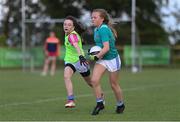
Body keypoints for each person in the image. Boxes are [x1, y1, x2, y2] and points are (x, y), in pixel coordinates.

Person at [89, 8, 125, 115]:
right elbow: (100, 46)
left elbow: (106, 48)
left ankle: (120, 104)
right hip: (103, 59)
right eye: (92, 17)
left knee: (113, 84)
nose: (92, 19)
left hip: (112, 59)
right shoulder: (96, 29)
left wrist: (96, 57)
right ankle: (100, 103)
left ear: (102, 18)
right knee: (94, 80)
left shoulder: (103, 29)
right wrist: (91, 52)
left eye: (95, 17)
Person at [63, 16, 94, 108]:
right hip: (70, 61)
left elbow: (76, 46)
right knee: (66, 76)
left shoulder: (72, 35)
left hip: (80, 61)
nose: (66, 26)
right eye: (65, 24)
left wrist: (81, 56)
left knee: (90, 83)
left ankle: (100, 95)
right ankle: (71, 100)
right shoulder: (68, 34)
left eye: (69, 25)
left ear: (73, 27)